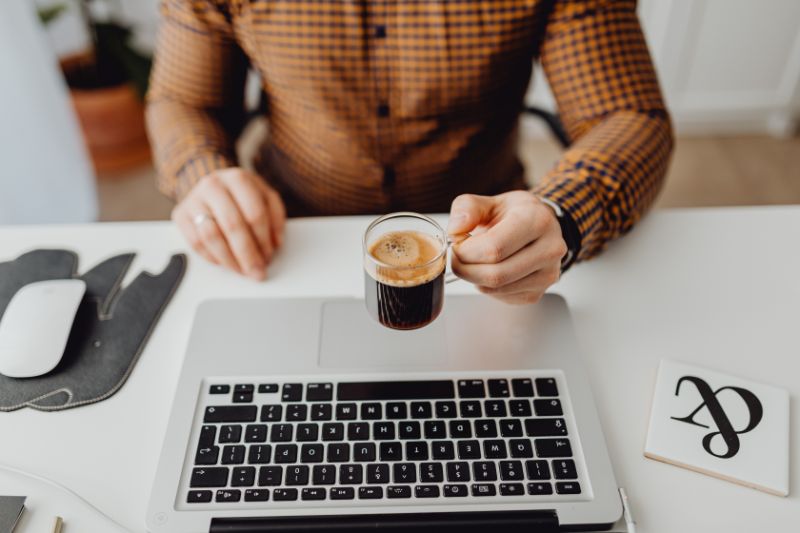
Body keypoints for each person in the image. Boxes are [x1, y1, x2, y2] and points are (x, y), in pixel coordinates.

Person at [146, 0, 673, 305]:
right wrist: (203, 173)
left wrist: (561, 212)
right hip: (289, 243)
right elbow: (184, 99)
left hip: (488, 253)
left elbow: (627, 115)